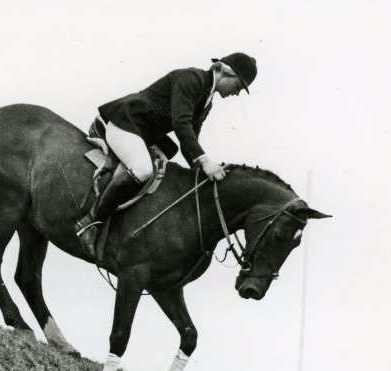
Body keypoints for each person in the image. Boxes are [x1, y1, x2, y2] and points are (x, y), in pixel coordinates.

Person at [75, 53, 258, 259]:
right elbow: (182, 125)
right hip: (125, 121)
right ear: (225, 72)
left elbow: (191, 139)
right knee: (143, 170)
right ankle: (89, 222)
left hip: (143, 133)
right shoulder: (191, 79)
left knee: (166, 165)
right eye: (239, 85)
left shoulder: (207, 101)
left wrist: (199, 173)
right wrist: (205, 162)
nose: (237, 93)